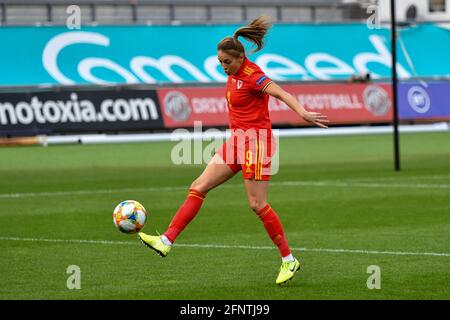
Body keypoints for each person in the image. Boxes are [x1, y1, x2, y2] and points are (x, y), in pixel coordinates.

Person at [138, 15, 329, 285]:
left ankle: (289, 260)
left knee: (256, 204)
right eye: (220, 63)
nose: (223, 67)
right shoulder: (233, 74)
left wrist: (302, 113)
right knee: (199, 186)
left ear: (240, 59)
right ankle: (167, 240)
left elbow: (281, 93)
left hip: (257, 143)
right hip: (237, 142)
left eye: (227, 62)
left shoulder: (254, 76)